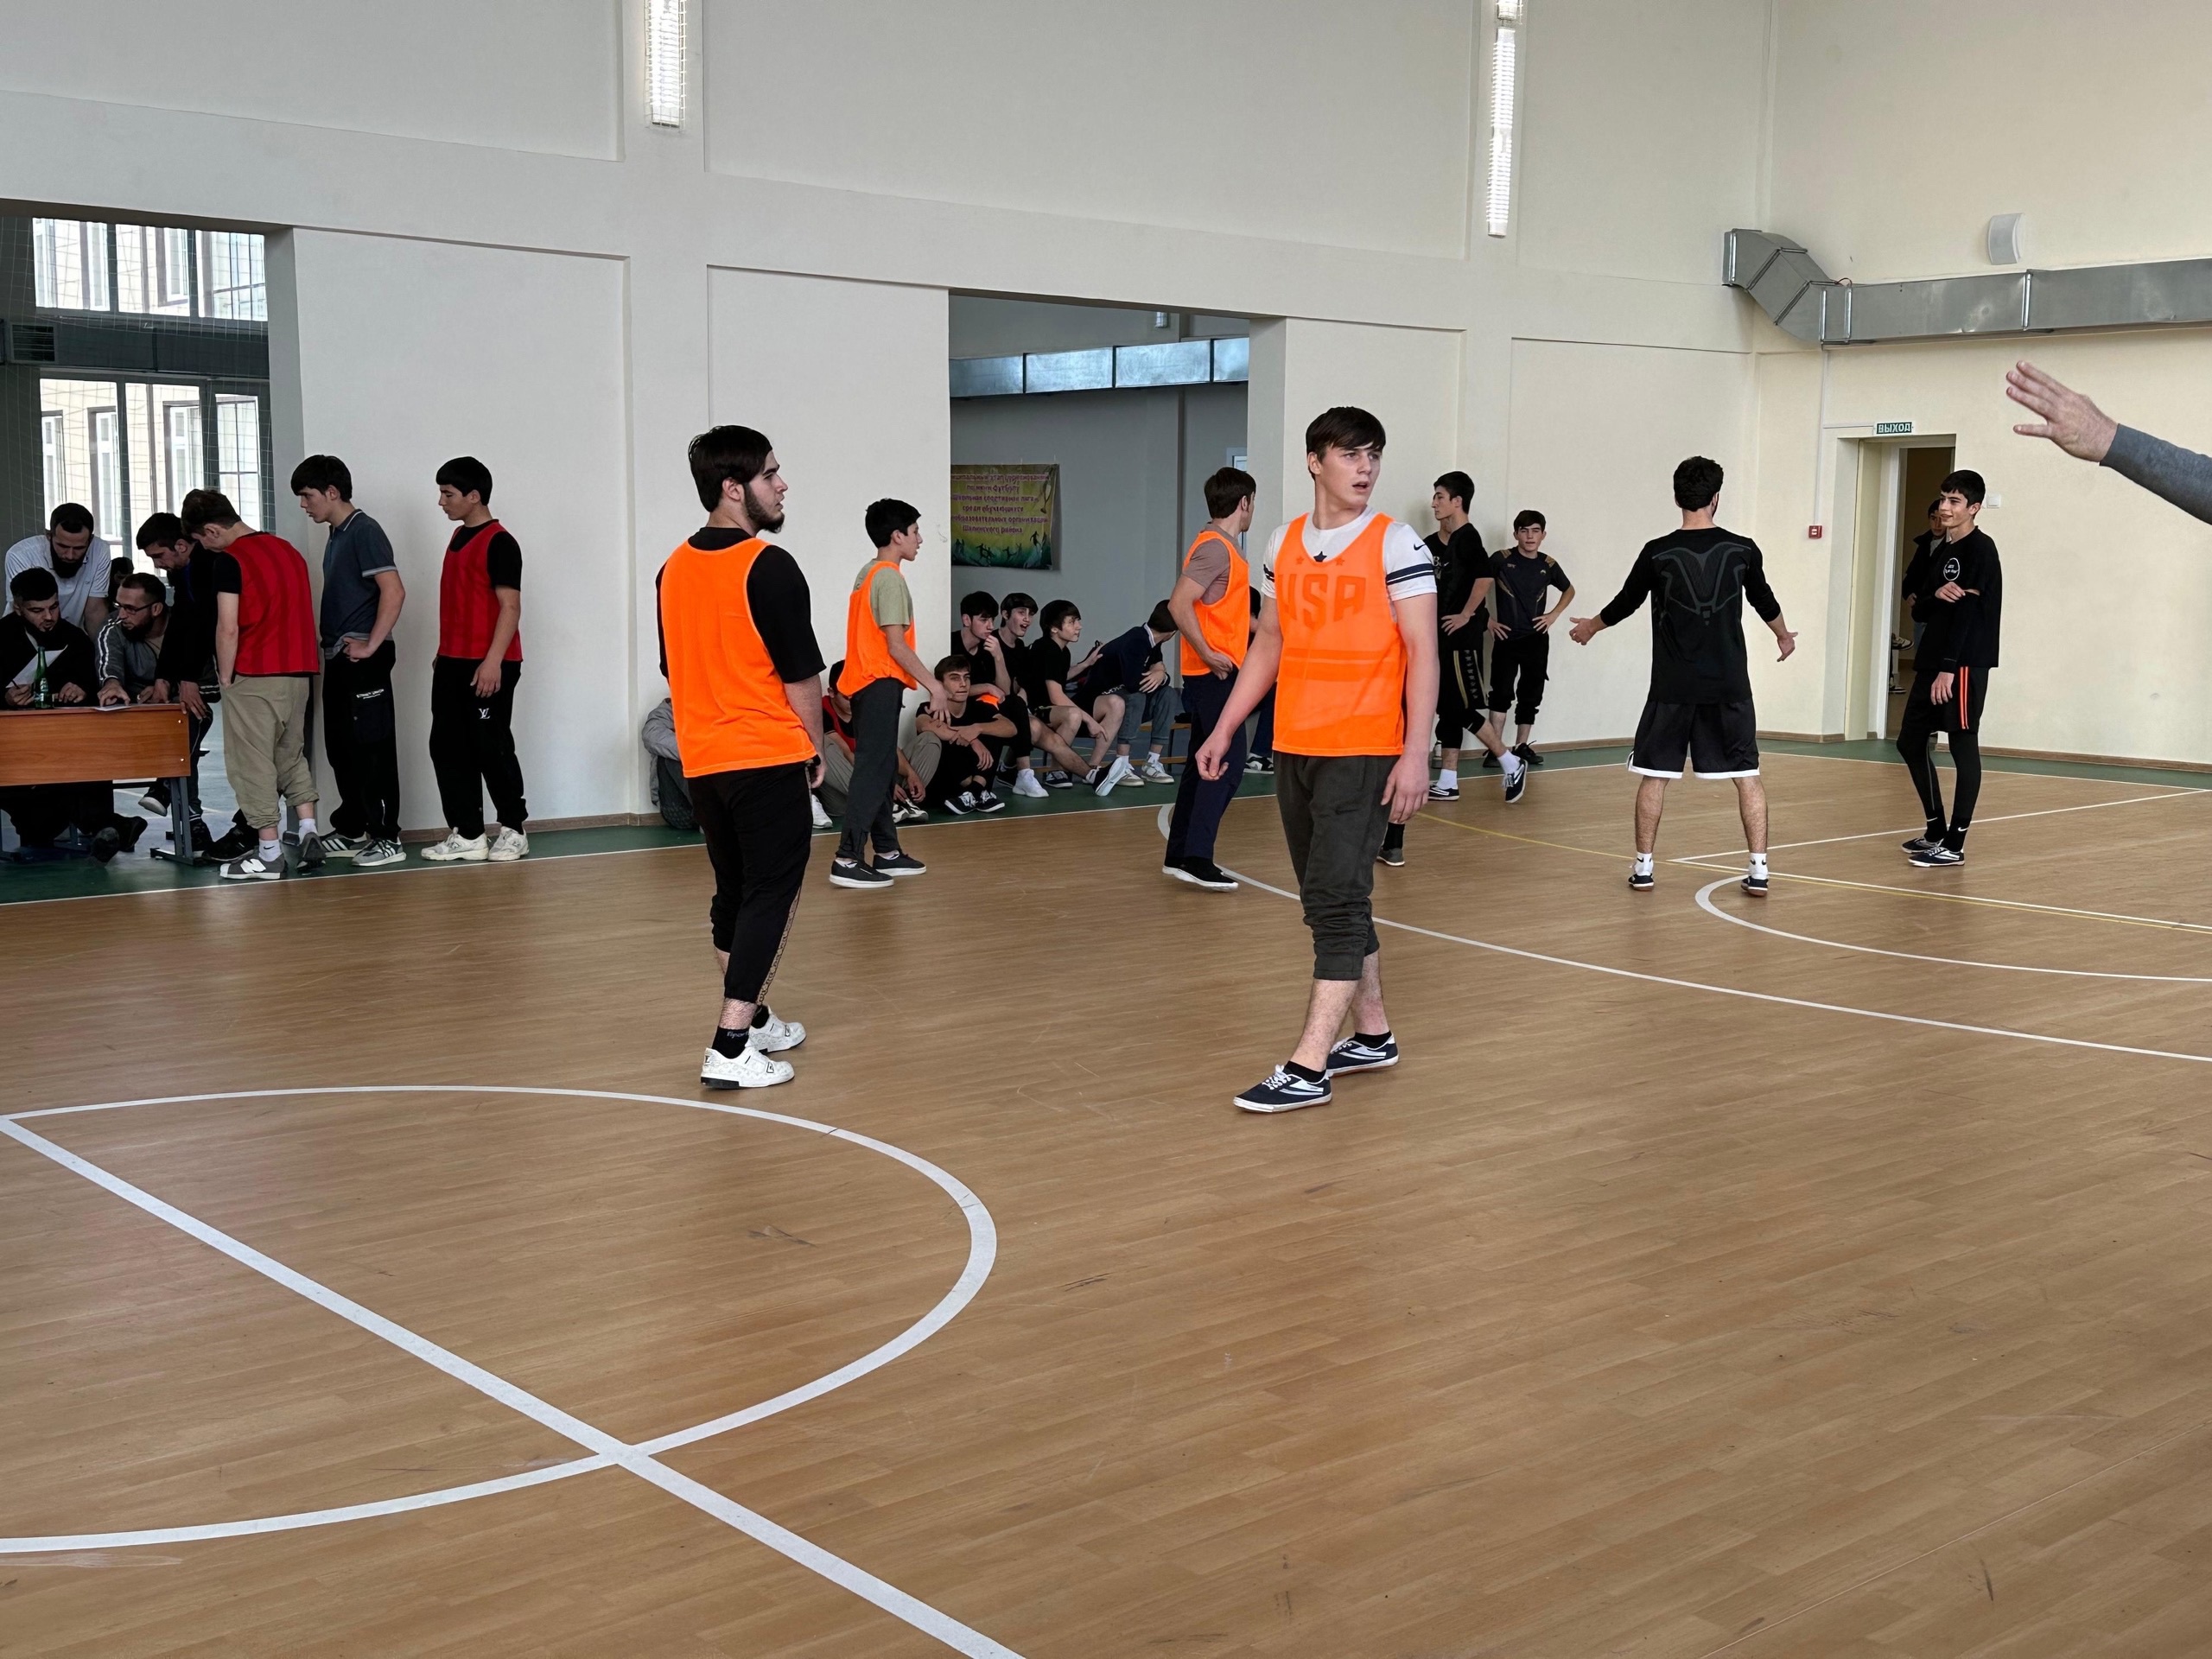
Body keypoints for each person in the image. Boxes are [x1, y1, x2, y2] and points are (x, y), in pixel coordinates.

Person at [1193, 406, 1440, 1114]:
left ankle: (1308, 1066)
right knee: (1328, 897)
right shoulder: (1284, 542)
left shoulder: (1396, 544)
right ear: (1315, 461)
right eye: (1351, 454)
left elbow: (1423, 651)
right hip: (1296, 744)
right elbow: (1269, 642)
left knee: (1336, 898)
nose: (1366, 468)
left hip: (1364, 749)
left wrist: (1415, 752)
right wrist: (1226, 728)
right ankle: (1374, 1033)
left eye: (1374, 455)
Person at [658, 423, 822, 1089]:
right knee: (771, 895)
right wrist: (813, 748)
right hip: (765, 755)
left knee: (735, 892)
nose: (782, 485)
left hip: (704, 764)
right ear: (733, 488)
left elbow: (674, 669)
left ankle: (754, 1020)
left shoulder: (672, 569)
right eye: (770, 475)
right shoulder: (768, 565)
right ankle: (729, 1046)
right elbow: (802, 679)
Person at [1567, 456, 1796, 897]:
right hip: (1729, 686)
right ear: (1716, 498)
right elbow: (1764, 600)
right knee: (1747, 775)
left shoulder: (1658, 551)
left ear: (1677, 498)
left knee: (1654, 776)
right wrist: (1783, 636)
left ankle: (1643, 868)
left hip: (1672, 688)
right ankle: (1759, 870)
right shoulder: (1743, 550)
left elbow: (1627, 600)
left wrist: (1591, 627)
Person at [183, 488, 326, 880]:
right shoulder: (288, 551)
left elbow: (228, 626)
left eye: (200, 540)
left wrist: (225, 676)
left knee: (252, 765)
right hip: (299, 672)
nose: (203, 548)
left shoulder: (230, 561)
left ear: (212, 531)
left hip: (255, 673)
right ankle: (308, 828)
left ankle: (268, 853)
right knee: (290, 755)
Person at [295, 454, 406, 867]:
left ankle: (387, 838)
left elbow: (394, 591)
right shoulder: (337, 534)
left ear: (332, 492)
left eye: (307, 496)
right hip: (340, 658)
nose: (304, 505)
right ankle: (353, 827)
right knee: (342, 748)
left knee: (373, 748)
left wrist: (371, 645)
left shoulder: (364, 530)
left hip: (364, 661)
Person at [423, 455, 528, 863]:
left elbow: (510, 607)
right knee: (447, 747)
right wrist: (442, 653)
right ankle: (468, 833)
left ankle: (514, 829)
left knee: (491, 746)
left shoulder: (500, 542)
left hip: (489, 663)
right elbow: (460, 601)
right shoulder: (457, 537)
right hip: (452, 661)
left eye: (448, 494)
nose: (441, 502)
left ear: (474, 496)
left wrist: (492, 662)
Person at [830, 499, 939, 889]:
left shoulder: (868, 573)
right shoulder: (889, 577)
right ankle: (847, 858)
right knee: (873, 770)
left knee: (880, 767)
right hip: (878, 683)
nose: (920, 539)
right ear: (897, 536)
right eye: (915, 532)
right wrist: (934, 684)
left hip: (866, 684)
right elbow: (896, 645)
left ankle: (887, 851)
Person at [1895, 471, 2002, 868]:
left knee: (1961, 743)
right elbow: (1919, 609)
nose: (1944, 507)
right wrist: (1937, 594)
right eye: (1943, 499)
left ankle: (1955, 844)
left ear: (1974, 508)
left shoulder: (1981, 549)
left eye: (1954, 501)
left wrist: (1948, 669)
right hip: (1933, 661)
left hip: (1963, 664)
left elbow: (1969, 614)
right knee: (1909, 742)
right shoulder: (1942, 550)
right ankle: (1935, 828)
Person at [1164, 467, 1255, 889]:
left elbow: (1222, 611)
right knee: (1227, 763)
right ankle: (1197, 858)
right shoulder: (1217, 548)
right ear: (1244, 503)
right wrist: (1207, 653)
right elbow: (1178, 604)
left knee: (1201, 765)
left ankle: (1181, 855)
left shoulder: (1223, 548)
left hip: (1215, 674)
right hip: (1214, 674)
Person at [0, 566, 129, 861]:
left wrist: (82, 689)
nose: (49, 617)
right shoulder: (1, 638)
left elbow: (93, 682)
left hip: (63, 745)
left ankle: (106, 825)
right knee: (39, 816)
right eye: (37, 611)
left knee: (88, 760)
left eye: (54, 607)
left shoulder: (74, 638)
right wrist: (4, 697)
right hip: (12, 749)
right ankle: (110, 825)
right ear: (18, 609)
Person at [140, 512, 233, 857]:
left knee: (198, 712)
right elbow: (180, 623)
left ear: (181, 545)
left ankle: (166, 787)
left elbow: (207, 624)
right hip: (203, 662)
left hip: (232, 659)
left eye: (159, 556)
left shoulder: (211, 565)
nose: (158, 565)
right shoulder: (181, 572)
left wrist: (189, 677)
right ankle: (169, 791)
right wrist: (163, 676)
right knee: (187, 712)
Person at [1486, 510, 1575, 764]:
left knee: (1530, 695)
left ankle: (1521, 746)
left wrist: (1553, 615)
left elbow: (1569, 590)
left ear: (1543, 535)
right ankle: (1495, 750)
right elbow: (1476, 586)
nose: (1529, 536)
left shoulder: (1548, 564)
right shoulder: (1501, 559)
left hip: (1536, 640)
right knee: (1501, 693)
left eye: (1535, 531)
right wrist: (1487, 621)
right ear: (1516, 534)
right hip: (1506, 638)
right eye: (1524, 531)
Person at [1427, 471, 1493, 792]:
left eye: (1439, 497)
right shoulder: (1451, 540)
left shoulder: (1468, 537)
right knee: (1449, 708)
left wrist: (1466, 615)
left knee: (1459, 708)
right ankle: (1448, 782)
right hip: (1444, 638)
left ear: (1457, 501)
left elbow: (1485, 577)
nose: (1434, 503)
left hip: (1461, 640)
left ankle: (1509, 760)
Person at [1068, 601, 1178, 795]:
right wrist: (1162, 676)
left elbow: (1156, 664)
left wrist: (1160, 671)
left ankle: (1152, 762)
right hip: (1093, 704)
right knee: (1136, 696)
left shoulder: (1152, 640)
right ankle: (1122, 763)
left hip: (1119, 700)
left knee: (1168, 694)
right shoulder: (1136, 640)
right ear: (1173, 631)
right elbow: (1134, 684)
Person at [1027, 600, 1122, 785]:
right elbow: (1056, 696)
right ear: (1054, 628)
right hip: (1037, 710)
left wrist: (1086, 664)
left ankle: (1093, 767)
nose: (1079, 626)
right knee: (1073, 714)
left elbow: (1058, 677)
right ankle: (1056, 771)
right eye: (1072, 622)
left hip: (1054, 708)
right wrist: (1090, 721)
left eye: (1078, 621)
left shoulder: (1062, 651)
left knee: (1116, 703)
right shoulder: (1047, 649)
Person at [907, 654, 1014, 814]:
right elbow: (924, 725)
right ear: (940, 685)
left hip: (979, 780)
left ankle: (975, 791)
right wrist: (973, 740)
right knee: (938, 735)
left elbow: (1010, 728)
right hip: (945, 787)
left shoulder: (979, 707)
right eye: (955, 678)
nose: (963, 684)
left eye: (966, 678)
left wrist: (977, 728)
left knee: (993, 729)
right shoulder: (930, 708)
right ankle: (974, 792)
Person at [3, 503, 120, 635]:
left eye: (79, 548)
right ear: (49, 536)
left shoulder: (100, 550)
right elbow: (28, 609)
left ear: (90, 540)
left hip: (71, 637)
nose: (70, 555)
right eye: (62, 546)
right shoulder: (21, 555)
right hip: (22, 636)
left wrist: (101, 647)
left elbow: (95, 611)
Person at [95, 572, 168, 704]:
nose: (121, 615)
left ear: (156, 609)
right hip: (134, 706)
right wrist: (112, 685)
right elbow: (109, 664)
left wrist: (169, 688)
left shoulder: (185, 629)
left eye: (130, 609)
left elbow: (205, 685)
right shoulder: (114, 626)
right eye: (119, 605)